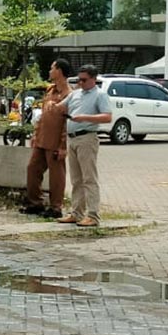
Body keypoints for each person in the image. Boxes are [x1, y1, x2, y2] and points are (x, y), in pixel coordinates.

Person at [58, 64, 112, 227]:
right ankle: (76, 212)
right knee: (76, 179)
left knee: (89, 178)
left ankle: (93, 214)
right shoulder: (75, 94)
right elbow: (61, 106)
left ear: (94, 79)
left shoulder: (100, 95)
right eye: (79, 80)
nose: (80, 83)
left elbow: (107, 117)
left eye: (84, 80)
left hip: (87, 138)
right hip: (72, 138)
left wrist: (85, 118)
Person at [21, 58, 73, 219]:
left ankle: (56, 207)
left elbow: (67, 123)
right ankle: (35, 202)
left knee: (56, 175)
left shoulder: (68, 95)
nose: (50, 72)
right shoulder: (50, 90)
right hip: (42, 138)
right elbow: (43, 116)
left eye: (52, 68)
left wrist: (63, 146)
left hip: (56, 141)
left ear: (59, 71)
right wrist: (36, 134)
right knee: (32, 168)